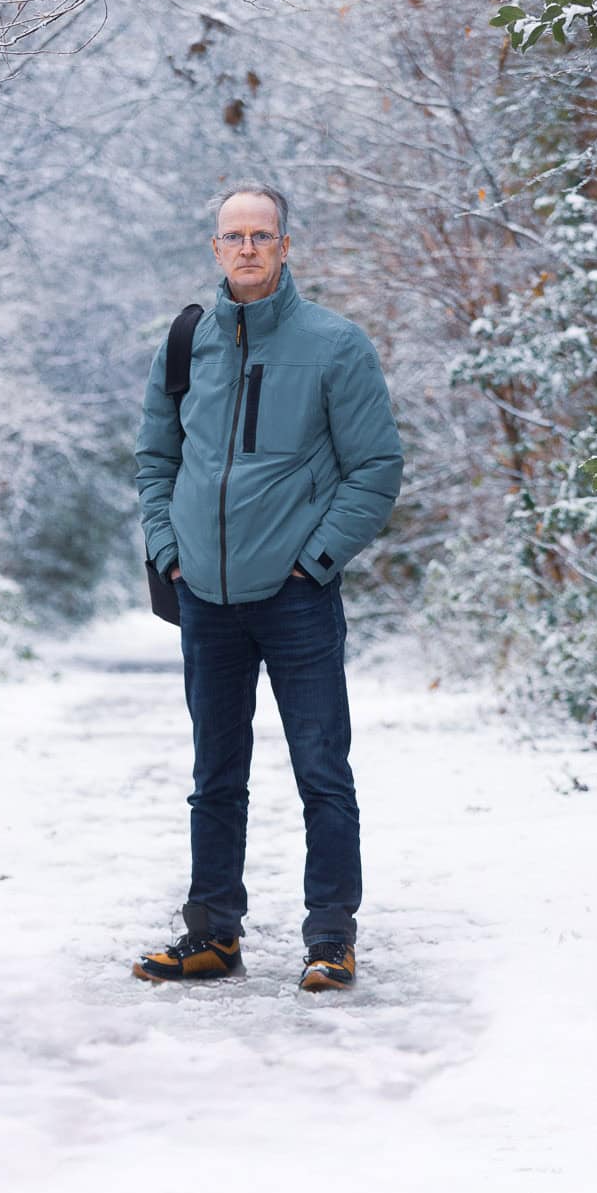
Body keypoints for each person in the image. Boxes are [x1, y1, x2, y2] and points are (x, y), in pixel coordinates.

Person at [132, 183, 404, 992]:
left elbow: (375, 469)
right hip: (204, 601)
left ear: (286, 246)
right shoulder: (184, 344)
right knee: (215, 774)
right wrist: (166, 548)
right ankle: (211, 934)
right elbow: (154, 460)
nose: (246, 248)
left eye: (261, 235)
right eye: (232, 236)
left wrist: (314, 560)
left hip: (295, 599)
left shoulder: (334, 345)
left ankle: (330, 938)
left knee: (322, 769)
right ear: (214, 249)